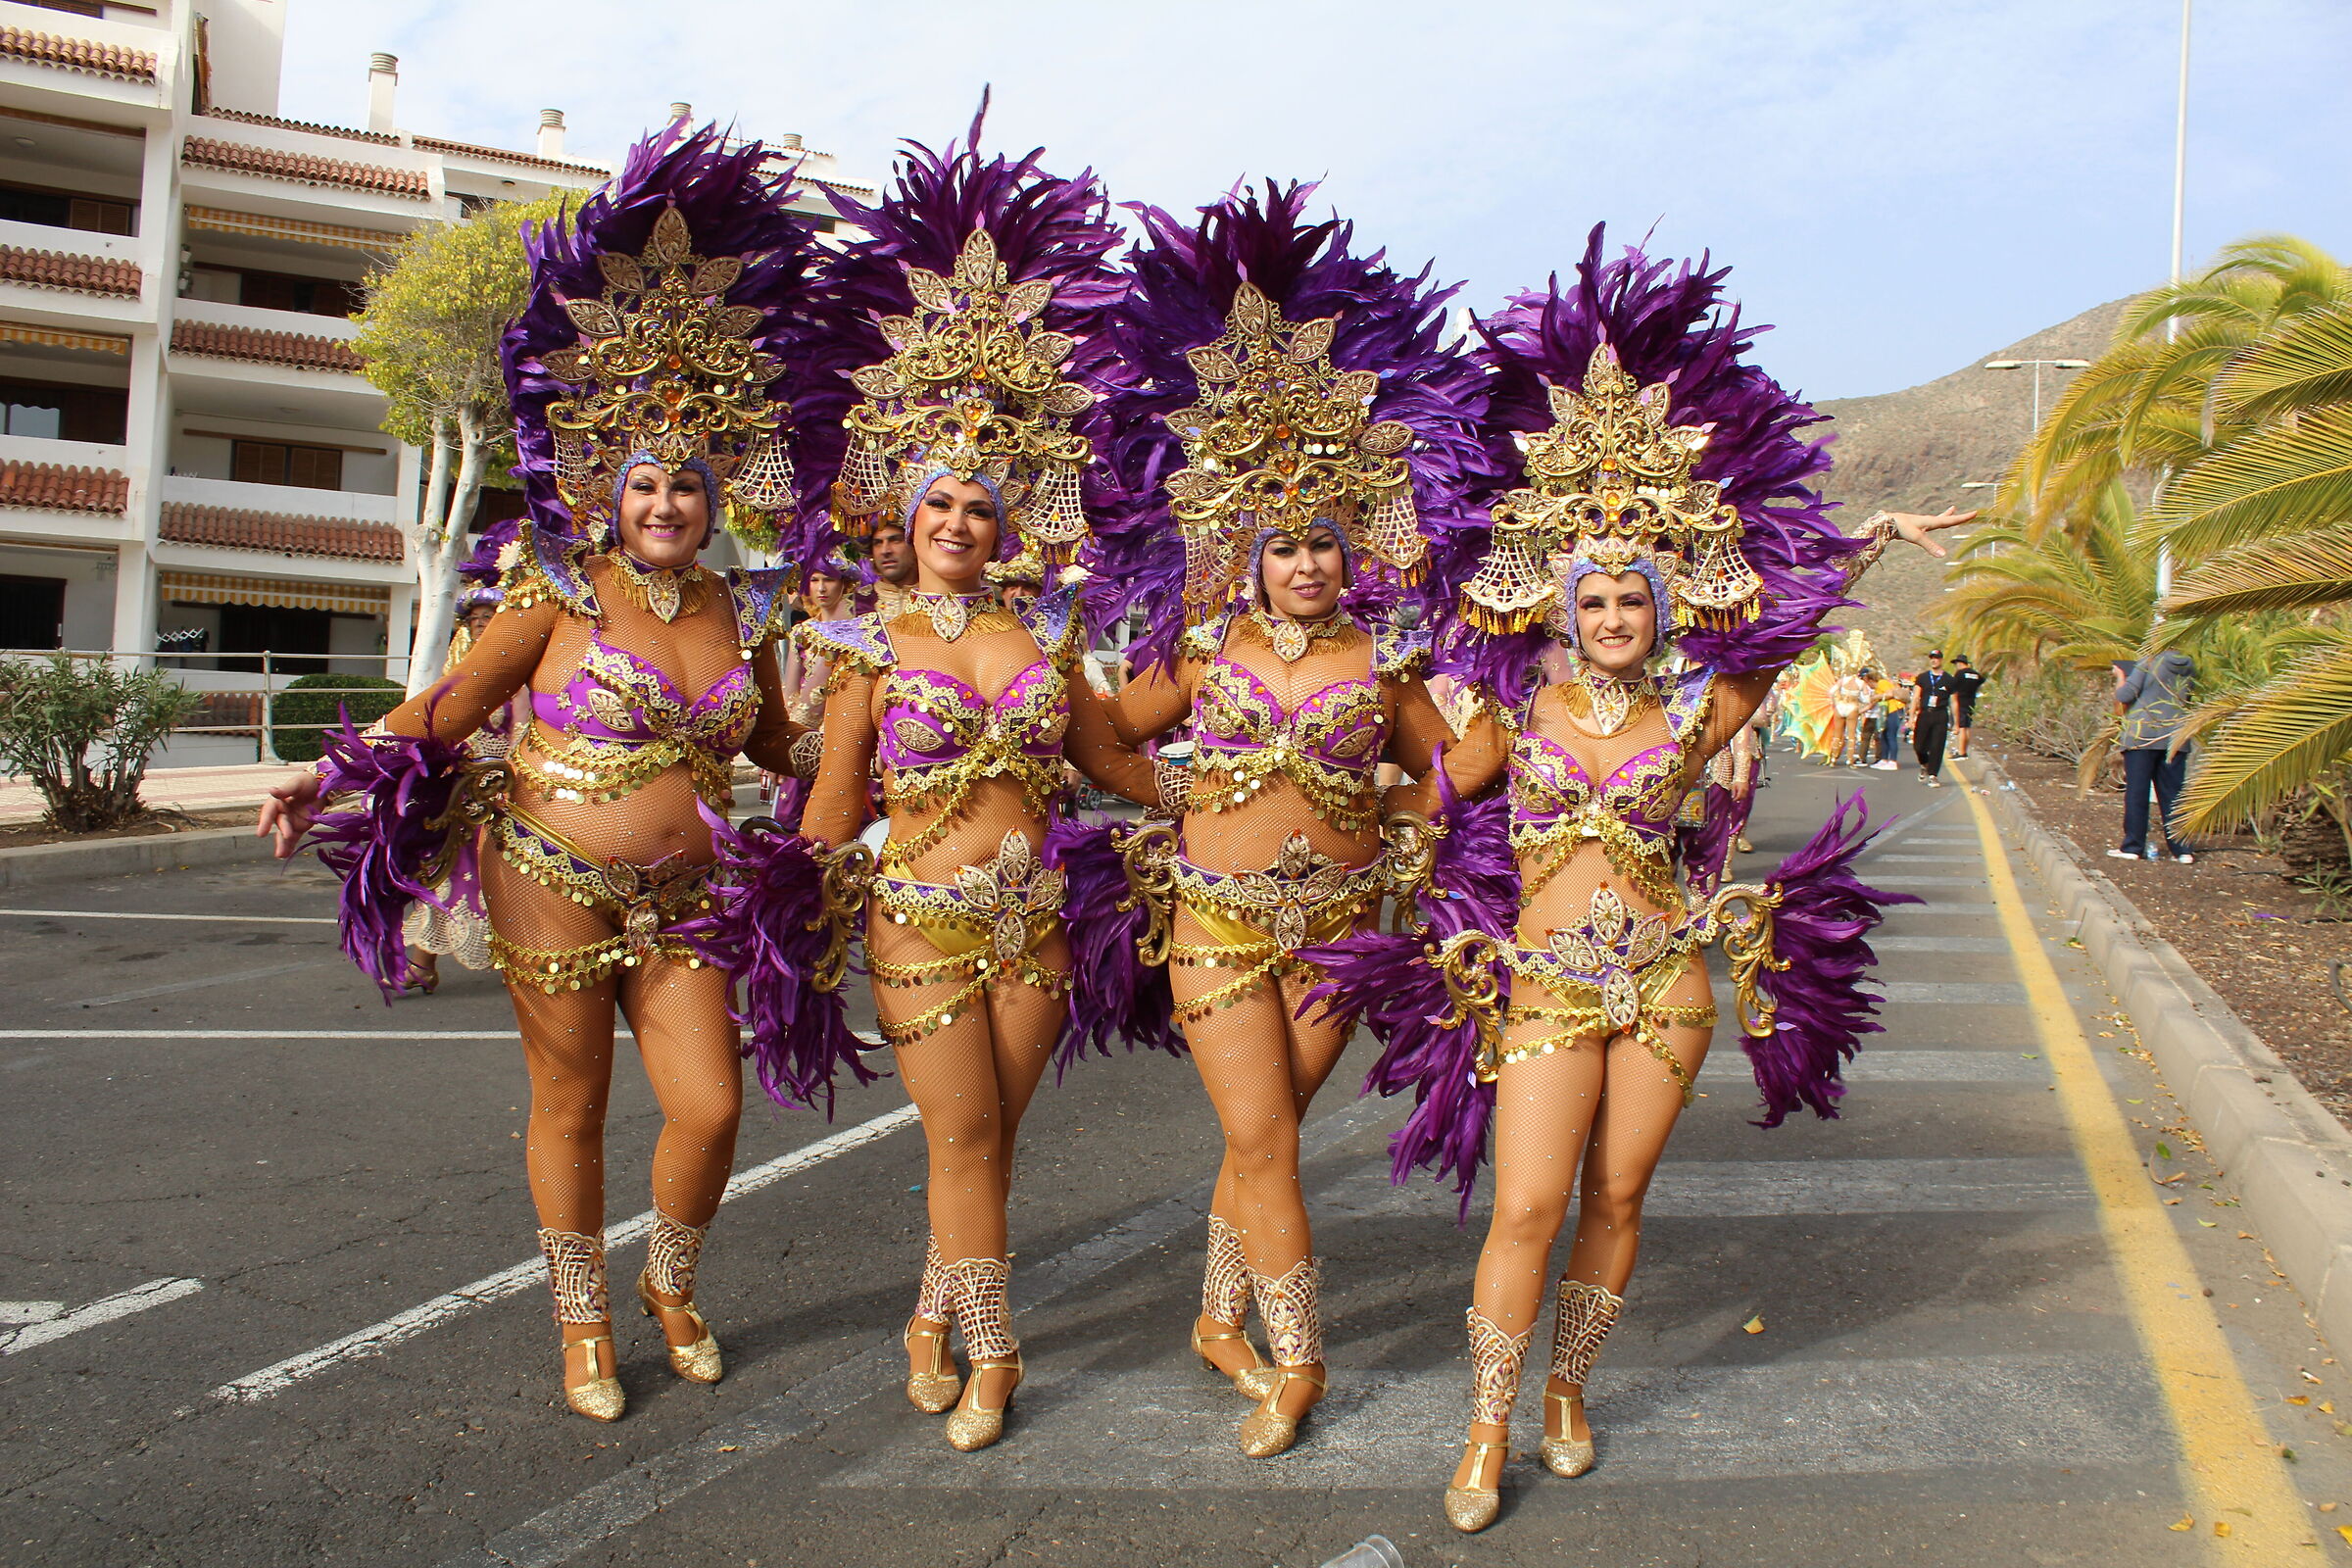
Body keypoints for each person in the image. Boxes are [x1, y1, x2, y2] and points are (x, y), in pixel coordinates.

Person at [1311, 248, 1955, 1534]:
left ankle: (1566, 1389)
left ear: (1662, 609)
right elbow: (1432, 789)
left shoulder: (1703, 711)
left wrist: (1875, 534)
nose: (1611, 614)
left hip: (1665, 986)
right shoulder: (1513, 706)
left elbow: (1790, 624)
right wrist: (1355, 829)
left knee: (1614, 1200)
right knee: (1531, 1202)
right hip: (1545, 989)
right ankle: (1486, 1425)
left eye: (1631, 598)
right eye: (1591, 597)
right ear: (1563, 605)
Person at [258, 128, 825, 1423]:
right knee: (570, 1104)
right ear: (605, 492)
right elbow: (447, 710)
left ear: (712, 489)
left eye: (689, 480)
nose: (669, 501)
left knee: (710, 1106)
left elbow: (781, 750)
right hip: (549, 878)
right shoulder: (552, 593)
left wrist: (879, 741)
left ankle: (668, 1284)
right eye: (645, 483)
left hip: (689, 900)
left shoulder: (743, 613)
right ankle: (581, 1326)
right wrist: (325, 778)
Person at [767, 137, 1163, 1453]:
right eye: (936, 502)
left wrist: (1235, 790)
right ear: (906, 513)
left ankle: (933, 1315)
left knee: (990, 1143)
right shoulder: (865, 647)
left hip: (1036, 927)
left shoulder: (1045, 641)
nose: (956, 522)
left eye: (977, 508)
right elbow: (829, 806)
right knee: (964, 1132)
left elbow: (1111, 763)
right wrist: (768, 913)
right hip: (920, 921)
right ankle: (998, 1354)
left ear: (1005, 526)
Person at [1091, 184, 1494, 1458]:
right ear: (1246, 554)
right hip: (1213, 923)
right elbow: (1106, 734)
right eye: (1283, 548)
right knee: (1264, 1137)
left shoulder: (1380, 665)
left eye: (1324, 545)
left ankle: (1217, 1317)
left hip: (1340, 933)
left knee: (1266, 1137)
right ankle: (1300, 1361)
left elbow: (1463, 759)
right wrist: (1168, 795)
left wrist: (1434, 760)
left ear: (1349, 550)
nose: (1305, 565)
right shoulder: (1201, 650)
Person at [399, 584, 521, 993]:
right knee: (443, 872)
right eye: (475, 621)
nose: (481, 626)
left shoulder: (517, 675)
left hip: (506, 794)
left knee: (505, 881)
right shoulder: (456, 677)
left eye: (490, 619)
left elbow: (523, 732)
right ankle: (421, 964)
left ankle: (521, 964)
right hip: (458, 795)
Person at [2110, 651, 2195, 863]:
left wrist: (2120, 675)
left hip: (2143, 736)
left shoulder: (2147, 662)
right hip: (2175, 736)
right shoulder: (2189, 664)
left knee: (2137, 792)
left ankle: (2133, 846)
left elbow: (2124, 696)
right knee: (2174, 794)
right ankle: (2182, 850)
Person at [1909, 648, 1956, 786]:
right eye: (1932, 658)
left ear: (1941, 660)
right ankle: (1924, 764)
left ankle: (1933, 775)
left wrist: (1956, 723)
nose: (1934, 660)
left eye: (1936, 658)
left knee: (1937, 746)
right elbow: (1916, 698)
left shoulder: (1949, 679)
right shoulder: (1922, 677)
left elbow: (1954, 702)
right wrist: (1911, 717)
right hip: (1925, 714)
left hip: (1940, 714)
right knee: (1919, 746)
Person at [1950, 654, 1985, 759]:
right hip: (1971, 702)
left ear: (1960, 663)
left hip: (1961, 702)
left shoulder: (1959, 674)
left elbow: (1954, 688)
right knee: (1967, 727)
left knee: (1961, 728)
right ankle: (1964, 749)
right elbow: (1982, 682)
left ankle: (1961, 752)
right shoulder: (1976, 675)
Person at [1872, 670, 1906, 770]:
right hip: (1887, 712)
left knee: (1891, 735)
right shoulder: (1879, 686)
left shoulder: (1882, 683)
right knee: (1884, 735)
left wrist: (1876, 697)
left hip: (1894, 710)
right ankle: (1884, 759)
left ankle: (1893, 761)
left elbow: (1890, 693)